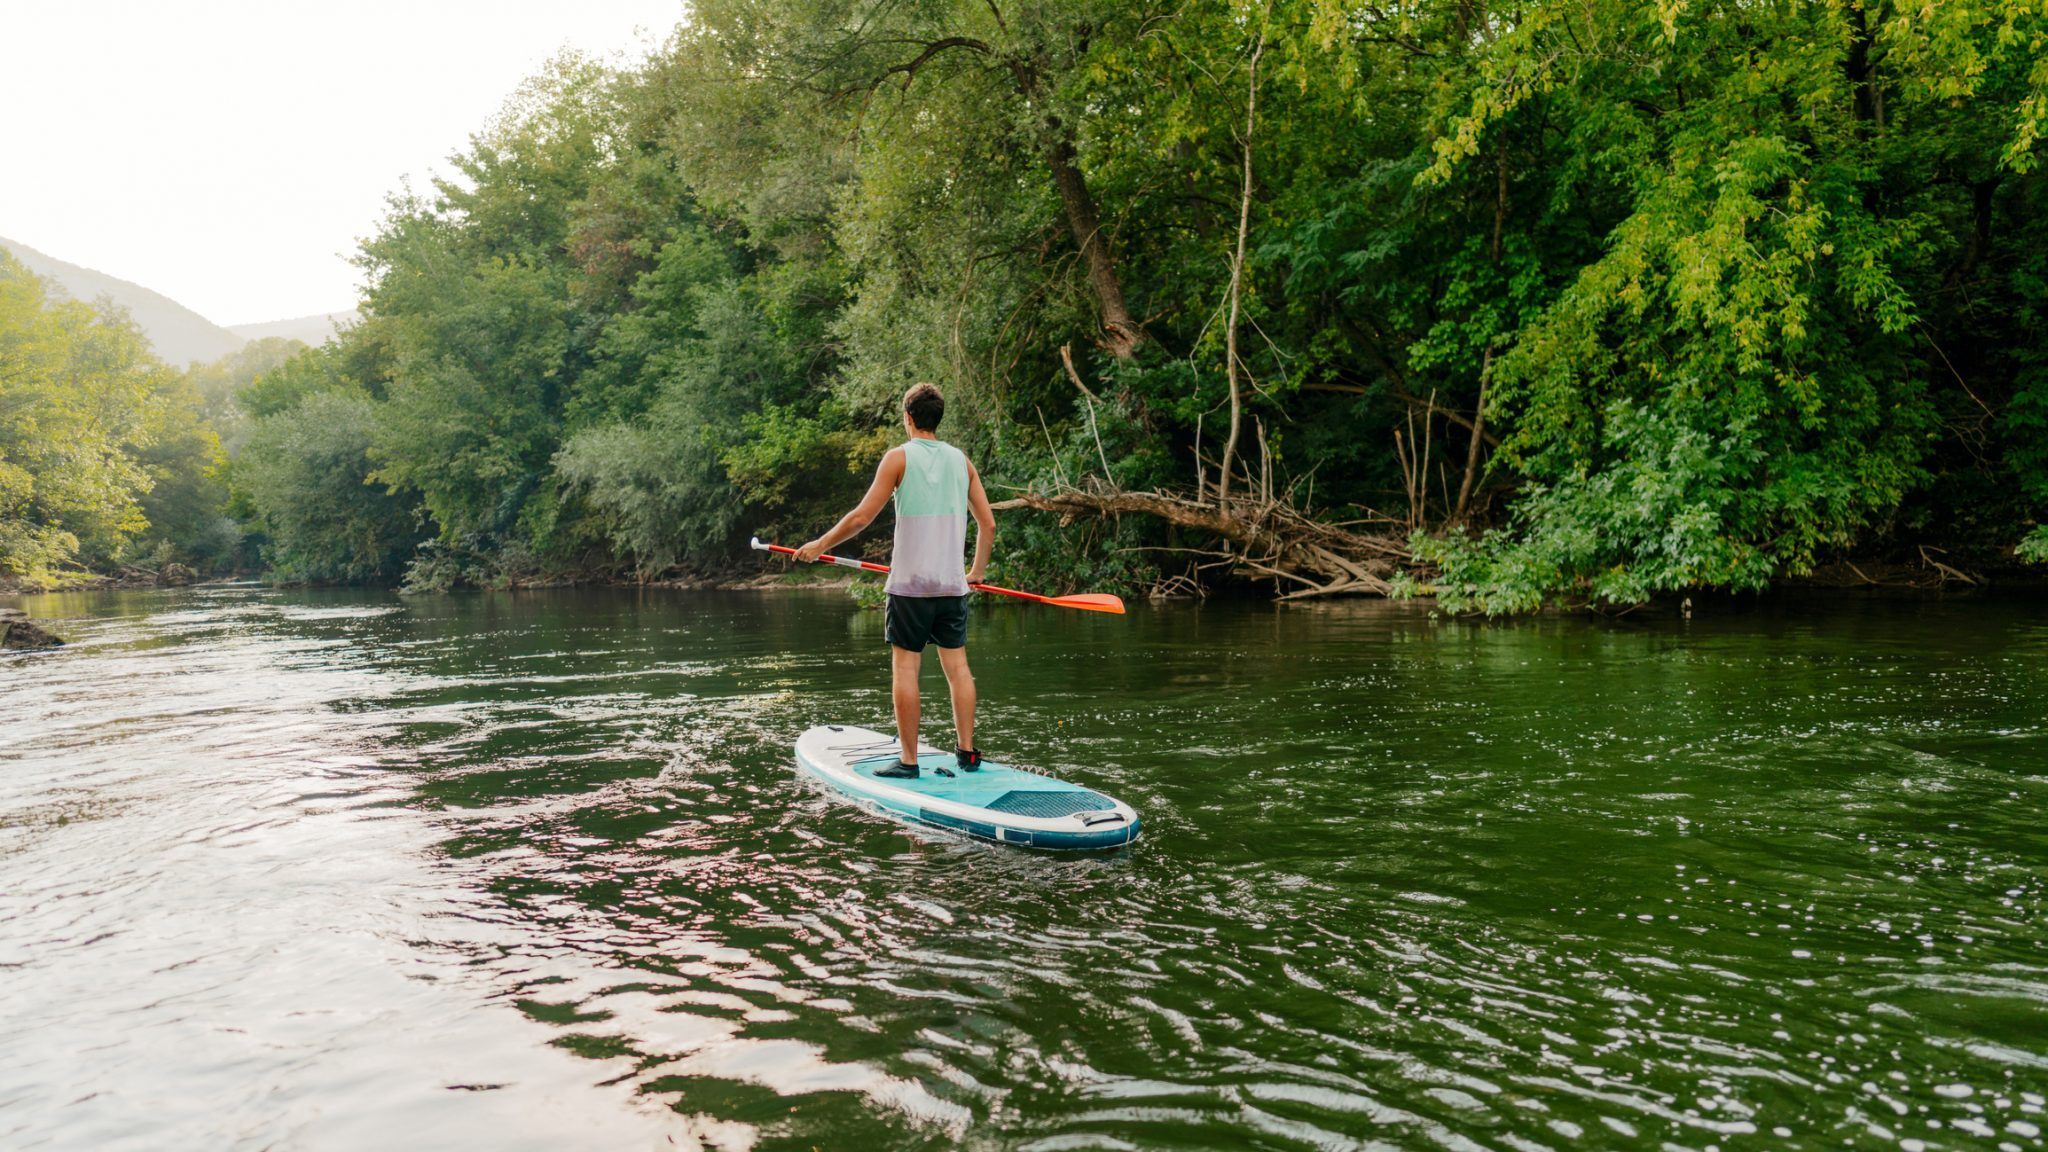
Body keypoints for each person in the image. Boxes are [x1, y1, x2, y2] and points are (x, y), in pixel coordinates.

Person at [796, 383, 996, 779]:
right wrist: (975, 573)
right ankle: (967, 753)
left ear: (908, 417)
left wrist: (820, 544)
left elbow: (861, 517)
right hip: (952, 588)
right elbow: (988, 524)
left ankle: (908, 762)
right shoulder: (962, 462)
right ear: (937, 418)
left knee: (906, 670)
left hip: (909, 588)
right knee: (958, 669)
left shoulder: (898, 458)